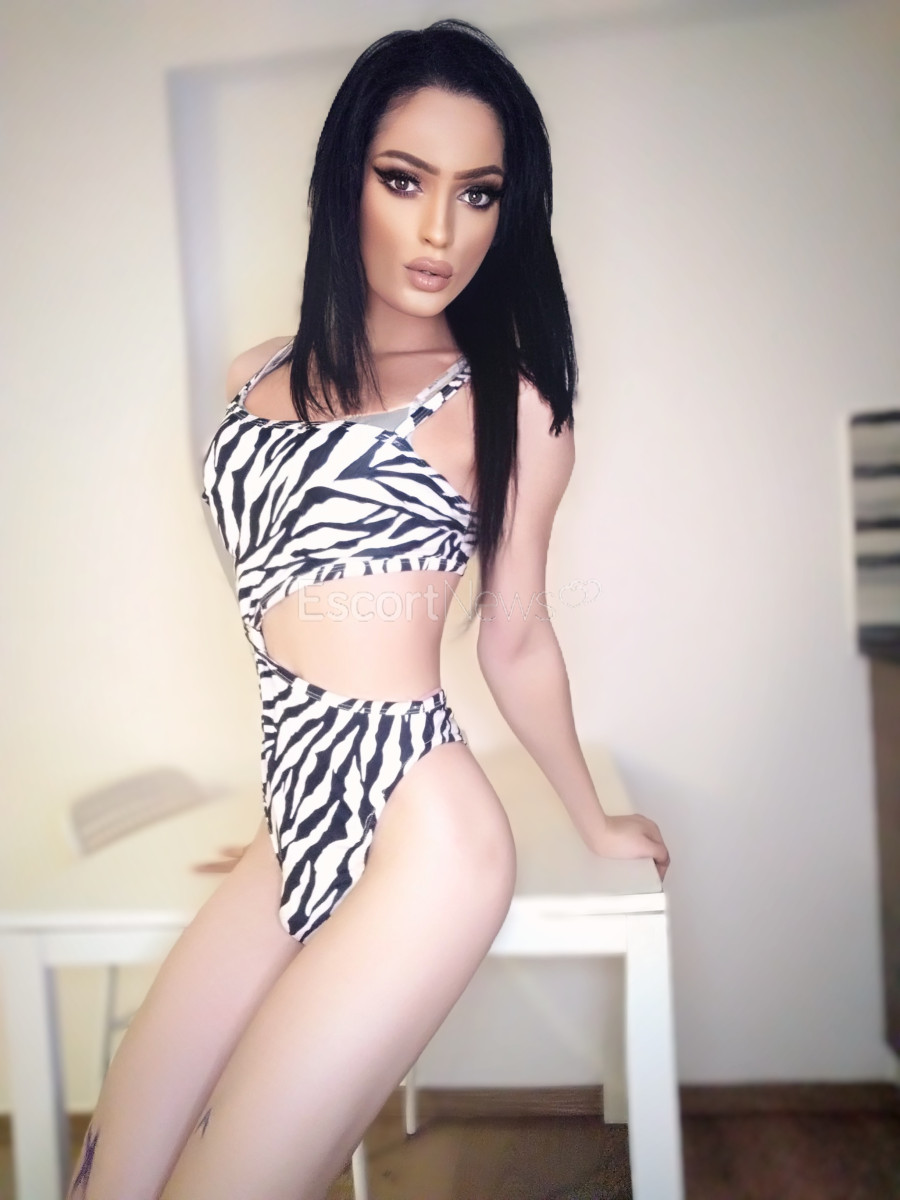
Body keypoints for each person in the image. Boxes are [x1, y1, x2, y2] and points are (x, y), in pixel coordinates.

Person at [69, 18, 670, 1199]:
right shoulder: (254, 372)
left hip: (422, 831)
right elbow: (282, 584)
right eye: (405, 179)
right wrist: (296, 789)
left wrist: (593, 821)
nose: (442, 229)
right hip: (297, 818)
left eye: (478, 193)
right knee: (108, 1178)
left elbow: (515, 635)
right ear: (345, 179)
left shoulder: (509, 407)